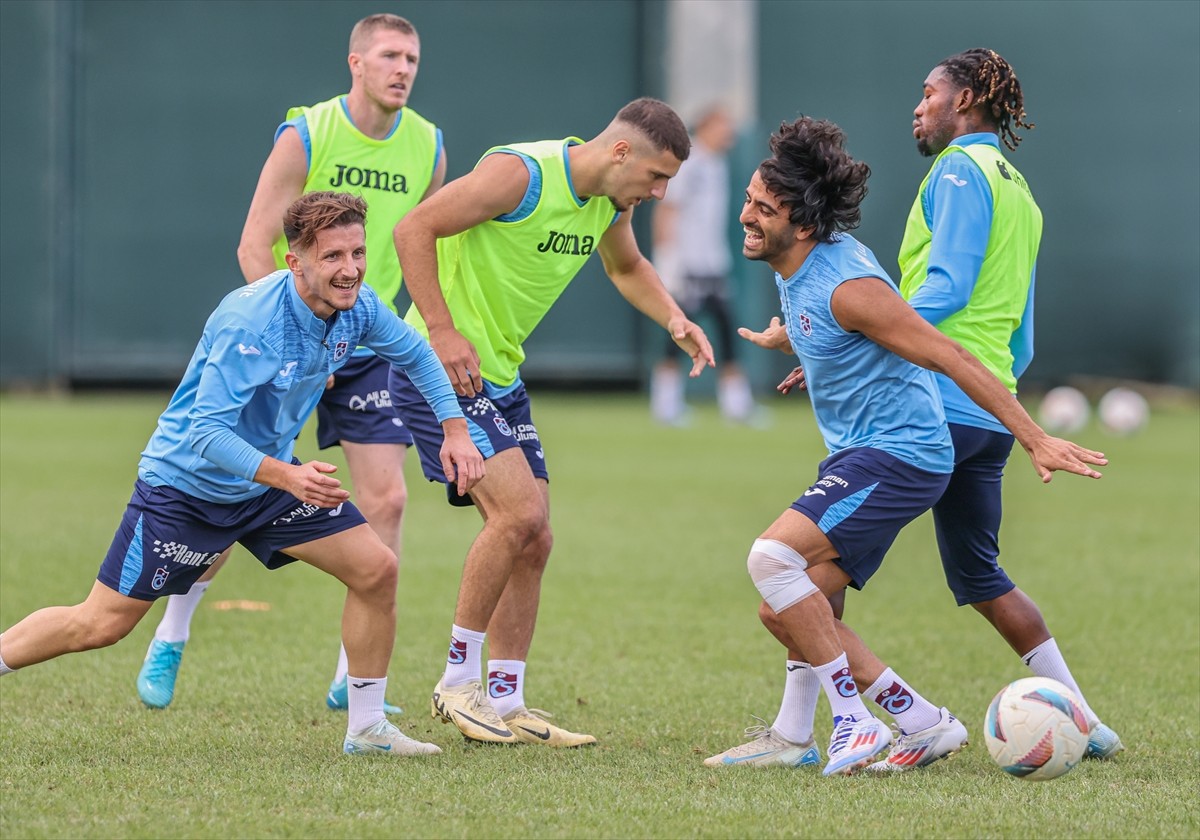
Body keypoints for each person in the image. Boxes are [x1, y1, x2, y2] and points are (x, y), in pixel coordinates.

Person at [0, 192, 484, 756]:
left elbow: (418, 355)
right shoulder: (248, 320)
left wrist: (455, 430)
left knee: (376, 570)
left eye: (357, 252)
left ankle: (367, 727)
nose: (350, 269)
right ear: (294, 262)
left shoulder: (360, 307)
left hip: (268, 484)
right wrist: (288, 476)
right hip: (185, 490)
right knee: (100, 624)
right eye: (332, 257)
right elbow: (205, 436)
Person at [747, 49, 1123, 773]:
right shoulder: (1021, 189)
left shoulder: (956, 169)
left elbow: (941, 293)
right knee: (979, 574)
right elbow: (1024, 330)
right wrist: (1015, 410)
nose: (917, 108)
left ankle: (821, 729)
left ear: (970, 98)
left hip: (932, 400)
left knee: (800, 578)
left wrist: (865, 332)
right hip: (993, 397)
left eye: (929, 94)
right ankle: (1080, 718)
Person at [137, 13, 445, 715]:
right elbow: (256, 245)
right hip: (287, 339)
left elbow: (425, 242)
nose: (404, 69)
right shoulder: (306, 132)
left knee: (389, 499)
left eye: (414, 59)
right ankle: (173, 632)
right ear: (356, 63)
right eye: (391, 56)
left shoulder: (429, 145)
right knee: (231, 488)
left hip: (368, 336)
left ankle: (350, 677)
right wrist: (299, 338)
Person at [389, 97, 715, 747]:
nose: (658, 193)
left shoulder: (609, 204)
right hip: (438, 367)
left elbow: (627, 267)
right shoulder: (522, 174)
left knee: (537, 539)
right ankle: (456, 682)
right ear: (621, 152)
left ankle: (507, 700)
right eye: (657, 177)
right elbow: (413, 229)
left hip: (500, 378)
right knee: (518, 516)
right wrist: (443, 330)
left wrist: (674, 319)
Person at [649, 105, 761, 426]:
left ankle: (737, 405)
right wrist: (668, 259)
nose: (729, 133)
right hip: (687, 267)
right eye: (723, 125)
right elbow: (667, 209)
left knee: (728, 330)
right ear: (707, 126)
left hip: (714, 266)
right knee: (678, 332)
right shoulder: (690, 164)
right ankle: (665, 404)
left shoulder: (717, 164)